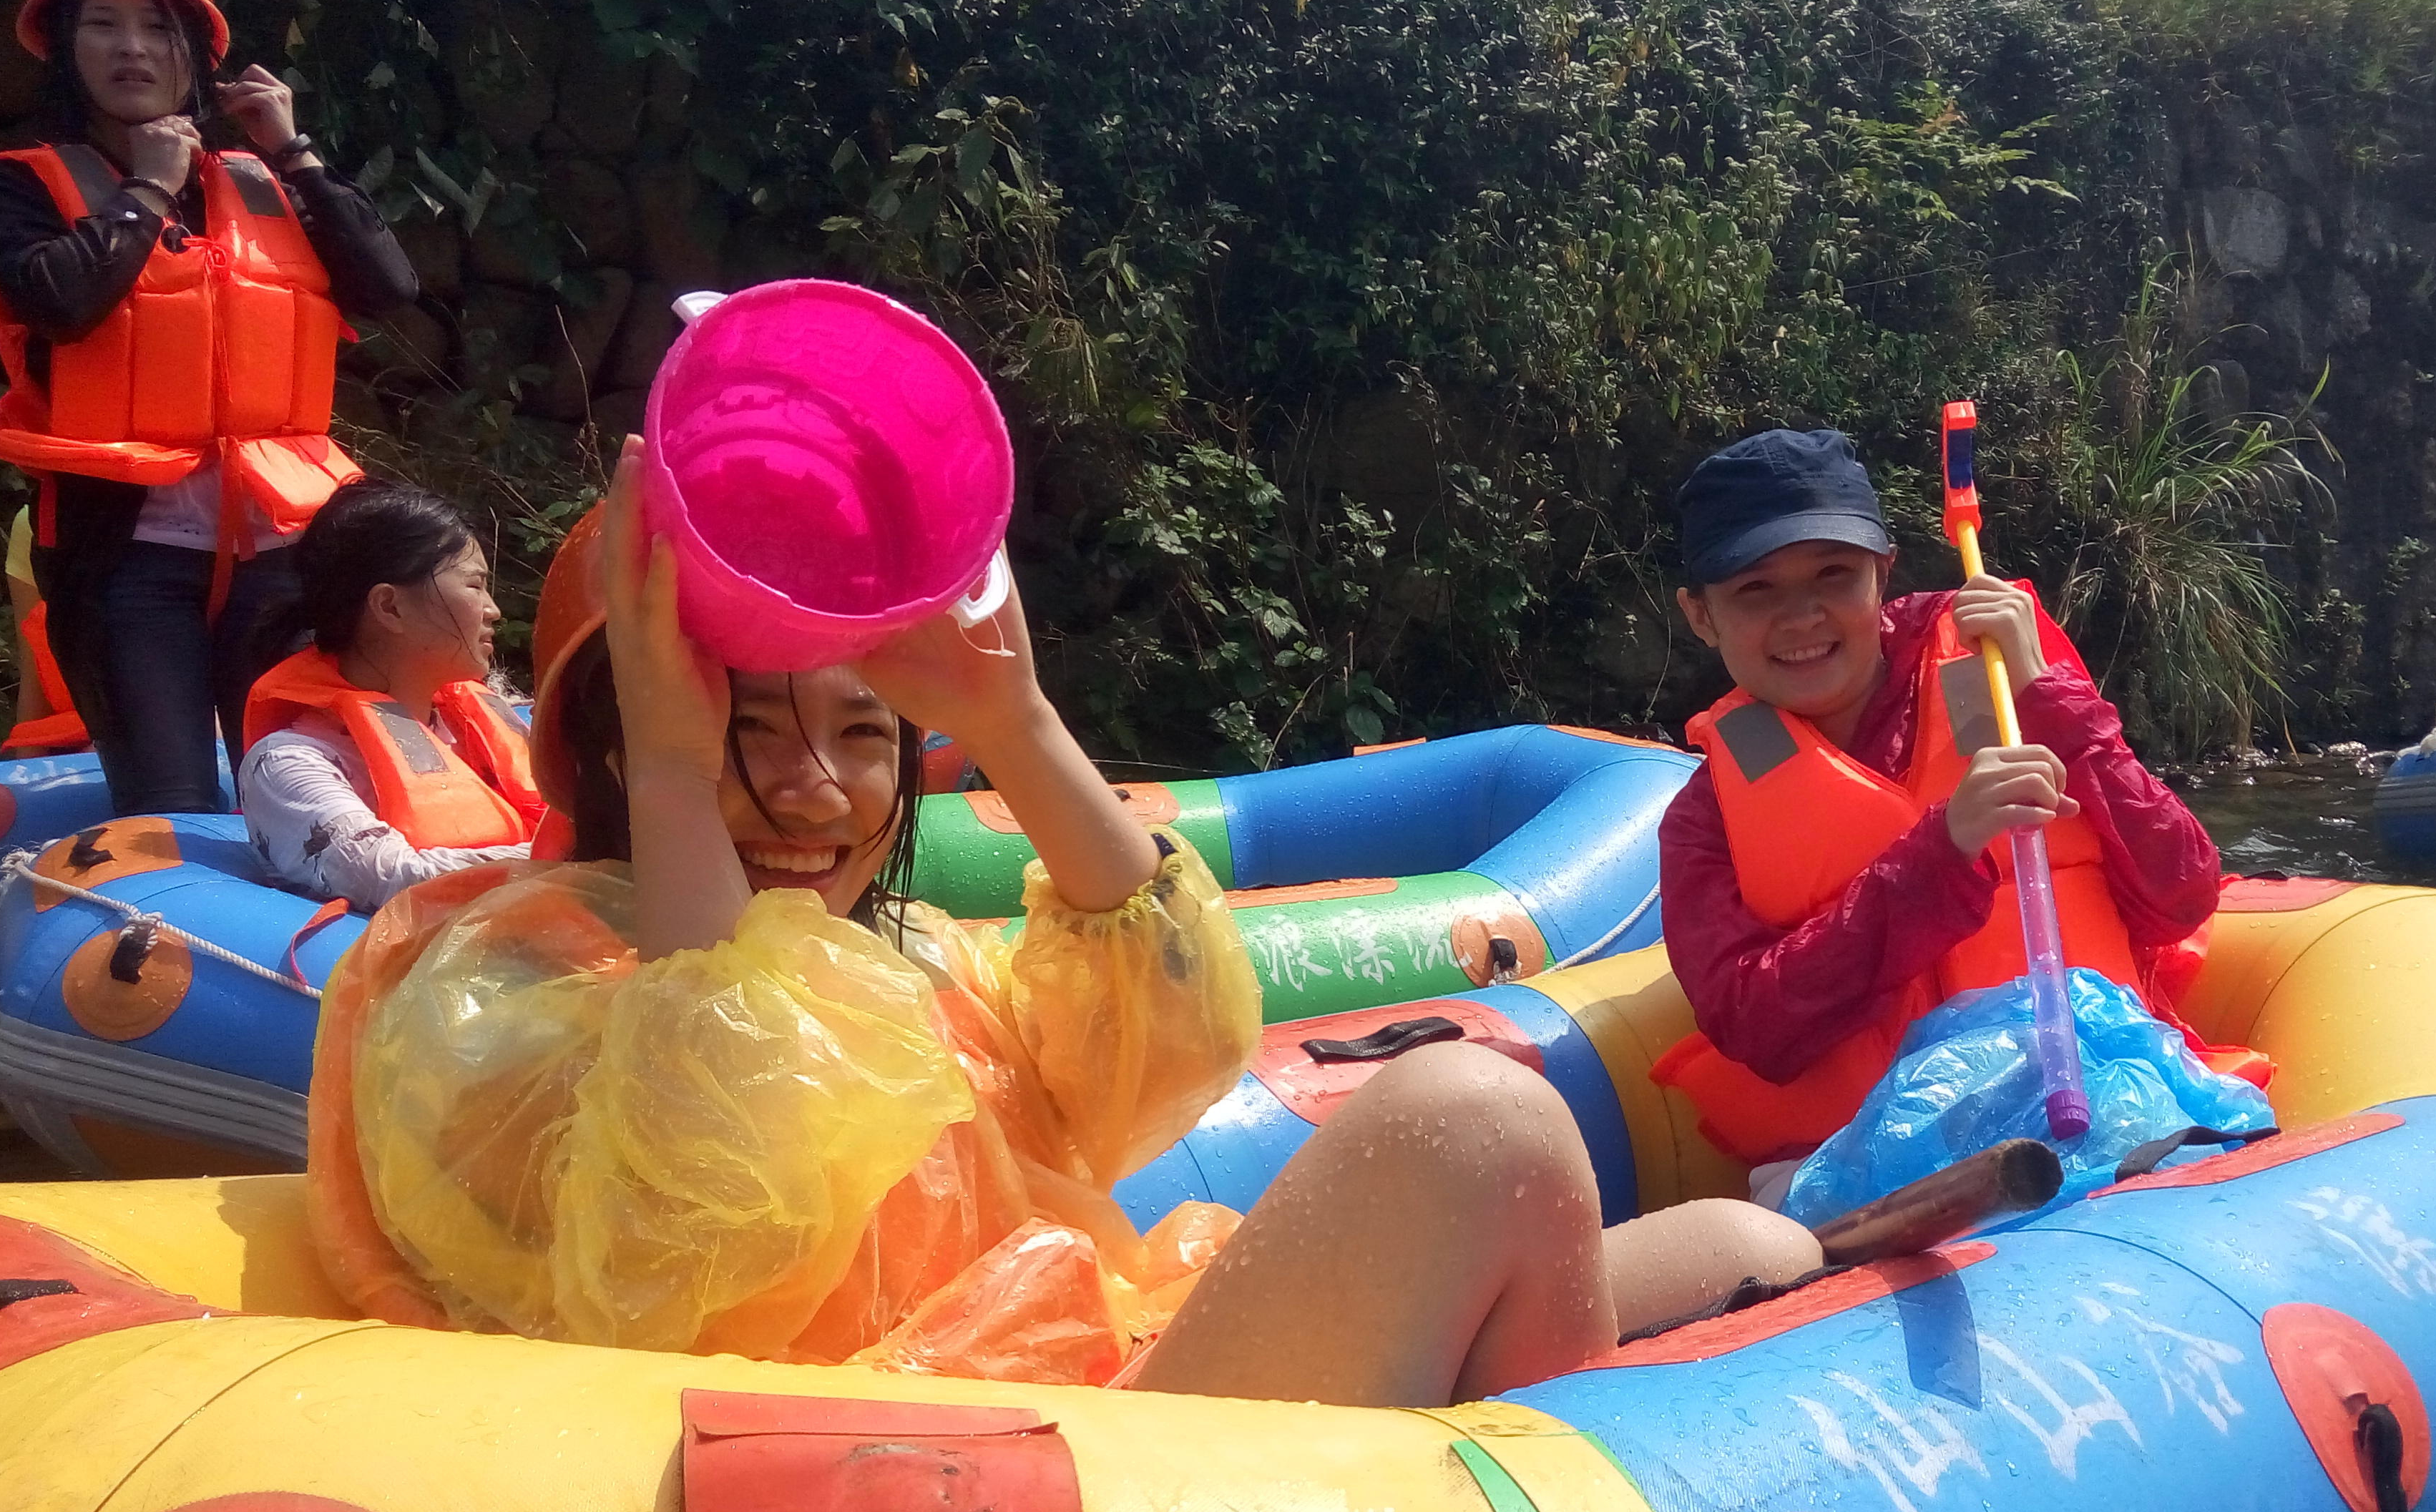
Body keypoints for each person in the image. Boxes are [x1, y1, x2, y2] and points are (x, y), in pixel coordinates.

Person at [304, 441, 1816, 1403]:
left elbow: (1169, 1047)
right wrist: (674, 768)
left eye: (865, 732)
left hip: (1093, 1375)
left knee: (1742, 1236)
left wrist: (1013, 720)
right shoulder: (494, 970)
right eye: (741, 730)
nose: (814, 786)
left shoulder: (914, 958)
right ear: (618, 738)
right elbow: (701, 1203)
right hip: (943, 1478)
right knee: (1476, 1126)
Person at [1648, 428, 2240, 1195]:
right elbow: (1754, 1026)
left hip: (2103, 1106)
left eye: (1833, 574)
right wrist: (1939, 857)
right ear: (1700, 615)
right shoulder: (1705, 819)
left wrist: (2052, 700)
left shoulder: (2006, 678)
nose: (1802, 617)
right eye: (1755, 589)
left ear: (1883, 571)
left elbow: (2183, 895)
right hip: (1866, 1168)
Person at [0, 0, 416, 816]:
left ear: (195, 53)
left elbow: (388, 286)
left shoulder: (258, 177)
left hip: (277, 552)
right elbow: (59, 300)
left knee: (301, 802)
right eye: (103, 25)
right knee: (169, 802)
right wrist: (147, 186)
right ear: (65, 47)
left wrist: (294, 150)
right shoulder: (17, 182)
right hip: (127, 562)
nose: (132, 48)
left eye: (156, 27)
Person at [237, 480, 544, 909]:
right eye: (475, 586)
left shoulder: (476, 729)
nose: (493, 611)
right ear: (390, 607)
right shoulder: (287, 762)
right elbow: (396, 878)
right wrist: (584, 857)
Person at [0, 504, 90, 757]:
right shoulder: (35, 522)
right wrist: (25, 773)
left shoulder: (182, 517)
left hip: (172, 732)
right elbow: (34, 679)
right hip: (79, 748)